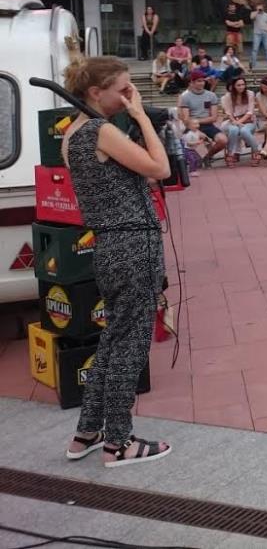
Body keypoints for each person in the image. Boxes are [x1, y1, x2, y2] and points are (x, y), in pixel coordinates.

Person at [60, 57, 171, 469]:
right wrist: (140, 116)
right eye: (123, 90)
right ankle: (119, 442)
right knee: (130, 345)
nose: (129, 96)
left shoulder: (72, 135)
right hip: (133, 244)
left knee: (112, 340)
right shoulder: (102, 131)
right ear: (95, 92)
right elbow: (160, 168)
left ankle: (87, 432)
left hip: (109, 246)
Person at [177, 71, 229, 159]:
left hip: (208, 125)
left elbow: (214, 118)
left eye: (203, 81)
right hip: (192, 127)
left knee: (223, 140)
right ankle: (195, 158)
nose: (202, 83)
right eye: (199, 81)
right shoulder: (185, 97)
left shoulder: (211, 95)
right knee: (196, 138)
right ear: (192, 82)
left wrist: (196, 120)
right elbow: (186, 119)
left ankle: (207, 157)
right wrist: (195, 125)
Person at [219, 76, 259, 166]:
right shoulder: (228, 96)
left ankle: (256, 152)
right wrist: (236, 122)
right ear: (233, 86)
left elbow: (250, 111)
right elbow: (229, 113)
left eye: (243, 84)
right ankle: (231, 153)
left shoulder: (250, 94)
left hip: (248, 120)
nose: (241, 87)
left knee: (244, 131)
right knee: (234, 130)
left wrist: (239, 122)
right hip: (232, 120)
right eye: (238, 85)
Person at [249, 4, 267, 70]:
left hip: (265, 34)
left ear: (263, 8)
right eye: (258, 8)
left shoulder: (266, 15)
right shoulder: (254, 13)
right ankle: (253, 64)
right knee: (255, 49)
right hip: (257, 34)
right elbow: (251, 17)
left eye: (260, 8)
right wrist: (257, 11)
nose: (260, 9)